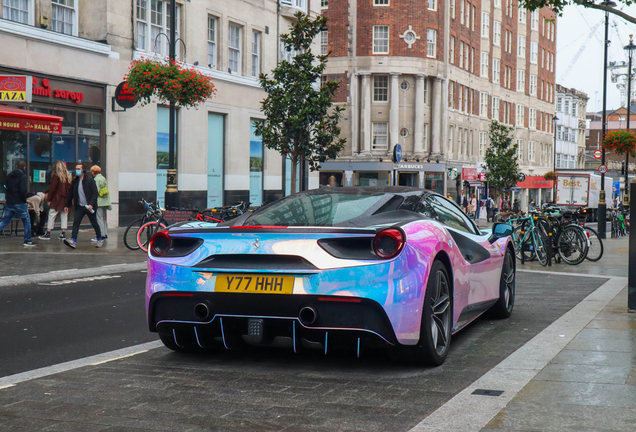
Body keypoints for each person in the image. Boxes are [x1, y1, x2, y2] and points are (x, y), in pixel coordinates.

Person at [64, 162, 103, 249]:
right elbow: (70, 193)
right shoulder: (75, 181)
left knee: (94, 223)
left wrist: (91, 204)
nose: (77, 171)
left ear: (83, 170)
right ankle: (73, 240)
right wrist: (67, 205)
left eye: (79, 169)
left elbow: (95, 193)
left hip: (89, 206)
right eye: (76, 169)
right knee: (76, 222)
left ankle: (99, 239)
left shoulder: (89, 180)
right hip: (80, 206)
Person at [0, 161, 35, 246]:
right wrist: (25, 198)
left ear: (16, 166)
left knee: (5, 221)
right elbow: (22, 191)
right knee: (26, 221)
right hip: (19, 202)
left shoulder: (9, 176)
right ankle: (27, 240)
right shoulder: (23, 177)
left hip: (9, 202)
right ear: (24, 167)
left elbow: (6, 188)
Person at [39, 160, 71, 240]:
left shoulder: (56, 175)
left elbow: (52, 188)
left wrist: (49, 199)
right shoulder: (68, 176)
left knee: (52, 215)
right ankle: (63, 233)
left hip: (57, 199)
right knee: (64, 216)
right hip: (65, 199)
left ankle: (48, 233)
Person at [91, 165, 111, 241]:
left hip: (99, 202)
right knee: (103, 218)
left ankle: (101, 235)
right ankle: (105, 233)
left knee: (99, 218)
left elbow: (95, 191)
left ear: (94, 172)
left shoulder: (96, 179)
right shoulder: (103, 178)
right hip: (105, 201)